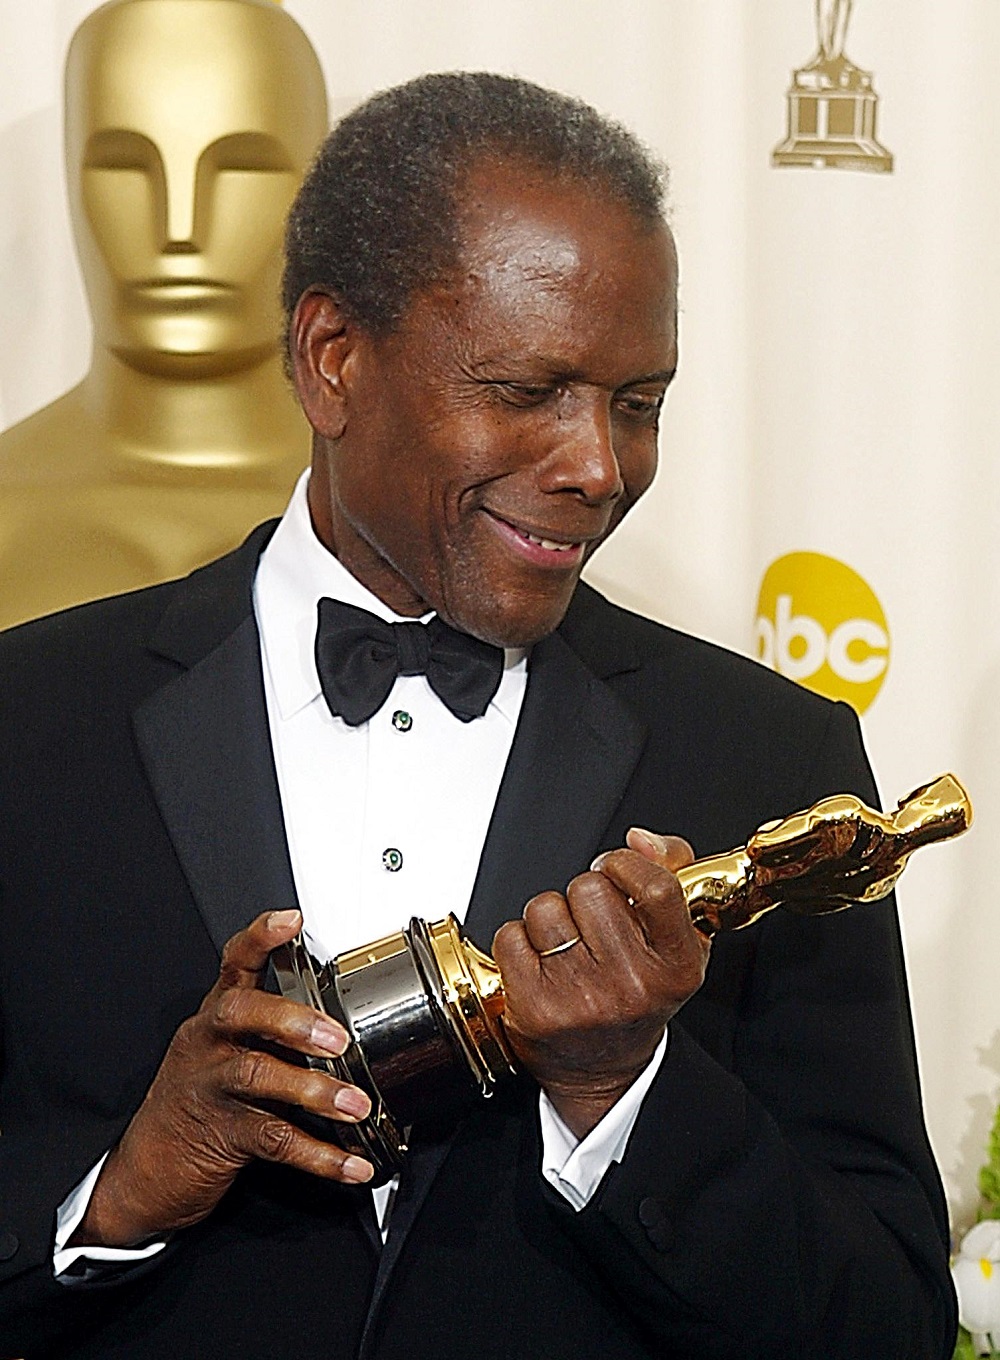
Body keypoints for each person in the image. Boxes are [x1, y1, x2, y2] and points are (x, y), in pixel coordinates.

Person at [0, 72, 955, 1359]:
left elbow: (884, 1327)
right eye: (526, 390)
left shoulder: (770, 757)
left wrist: (627, 1092)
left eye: (639, 403)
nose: (600, 468)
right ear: (332, 360)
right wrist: (119, 1191)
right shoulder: (29, 725)